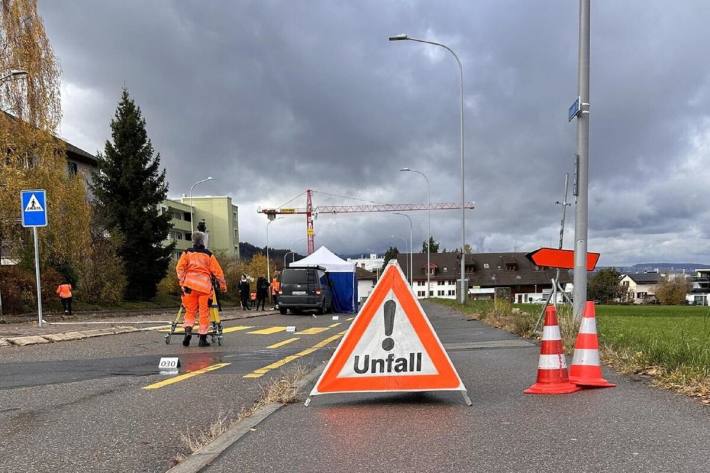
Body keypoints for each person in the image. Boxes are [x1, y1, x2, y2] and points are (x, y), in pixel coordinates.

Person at [176, 231, 227, 347]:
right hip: (204, 288)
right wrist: (223, 286)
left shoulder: (187, 253)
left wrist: (182, 282)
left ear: (193, 241)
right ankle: (202, 339)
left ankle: (188, 332)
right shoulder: (209, 255)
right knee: (204, 313)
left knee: (190, 311)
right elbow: (218, 273)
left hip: (189, 287)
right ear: (203, 241)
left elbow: (179, 268)